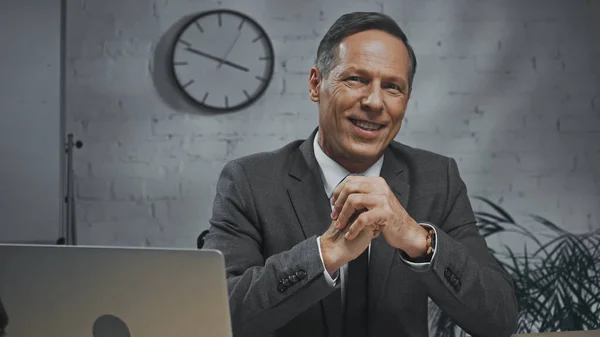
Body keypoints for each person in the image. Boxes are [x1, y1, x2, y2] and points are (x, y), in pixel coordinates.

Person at [203, 11, 518, 337]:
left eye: (393, 87)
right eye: (356, 79)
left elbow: (499, 320)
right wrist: (325, 255)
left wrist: (416, 239)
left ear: (406, 101)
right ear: (316, 84)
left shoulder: (438, 178)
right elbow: (218, 315)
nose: (374, 102)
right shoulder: (249, 181)